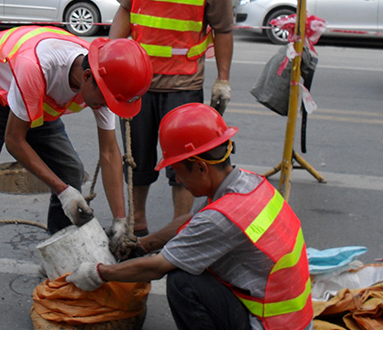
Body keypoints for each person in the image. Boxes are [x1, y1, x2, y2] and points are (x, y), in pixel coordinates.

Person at [0, 25, 153, 329]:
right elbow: (16, 141)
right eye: (104, 100)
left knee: (69, 169)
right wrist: (63, 192)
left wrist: (121, 220)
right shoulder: (39, 66)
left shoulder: (105, 79)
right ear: (86, 77)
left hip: (35, 101)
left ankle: (57, 259)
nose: (106, 107)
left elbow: (109, 153)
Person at [66, 103, 314, 330]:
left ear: (201, 167)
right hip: (292, 318)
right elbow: (188, 223)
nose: (178, 180)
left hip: (269, 326)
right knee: (189, 264)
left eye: (177, 171)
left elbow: (158, 267)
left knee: (181, 281)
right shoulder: (250, 183)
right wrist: (142, 245)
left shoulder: (220, 218)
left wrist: (99, 273)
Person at [109, 0, 235, 235]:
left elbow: (223, 29)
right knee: (137, 159)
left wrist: (222, 78)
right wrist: (108, 58)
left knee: (185, 161)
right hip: (137, 84)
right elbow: (125, 12)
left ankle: (180, 228)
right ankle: (137, 222)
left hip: (183, 85)